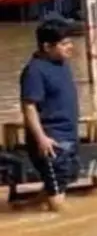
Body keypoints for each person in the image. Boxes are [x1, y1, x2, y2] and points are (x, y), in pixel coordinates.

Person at [19, 18, 80, 210]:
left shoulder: (61, 63)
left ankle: (29, 208)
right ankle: (60, 229)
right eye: (64, 44)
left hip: (68, 134)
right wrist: (41, 139)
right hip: (51, 141)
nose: (70, 47)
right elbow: (28, 107)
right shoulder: (35, 71)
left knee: (63, 179)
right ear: (47, 46)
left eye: (70, 41)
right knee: (57, 198)